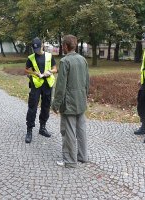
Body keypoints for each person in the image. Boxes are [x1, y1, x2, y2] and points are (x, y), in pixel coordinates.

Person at [51, 35, 90, 168]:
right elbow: (87, 81)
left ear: (66, 46)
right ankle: (83, 156)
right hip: (80, 100)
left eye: (63, 45)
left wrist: (55, 104)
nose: (62, 47)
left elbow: (60, 86)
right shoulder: (83, 59)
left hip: (69, 103)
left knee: (69, 132)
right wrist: (85, 97)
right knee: (81, 129)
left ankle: (70, 161)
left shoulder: (64, 61)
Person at [24, 37, 57, 143]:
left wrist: (50, 72)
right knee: (32, 107)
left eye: (38, 48)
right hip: (36, 84)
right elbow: (26, 70)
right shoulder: (31, 58)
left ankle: (42, 127)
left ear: (42, 45)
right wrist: (34, 73)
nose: (36, 51)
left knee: (46, 106)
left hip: (47, 84)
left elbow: (55, 69)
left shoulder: (49, 56)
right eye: (35, 49)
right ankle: (29, 131)